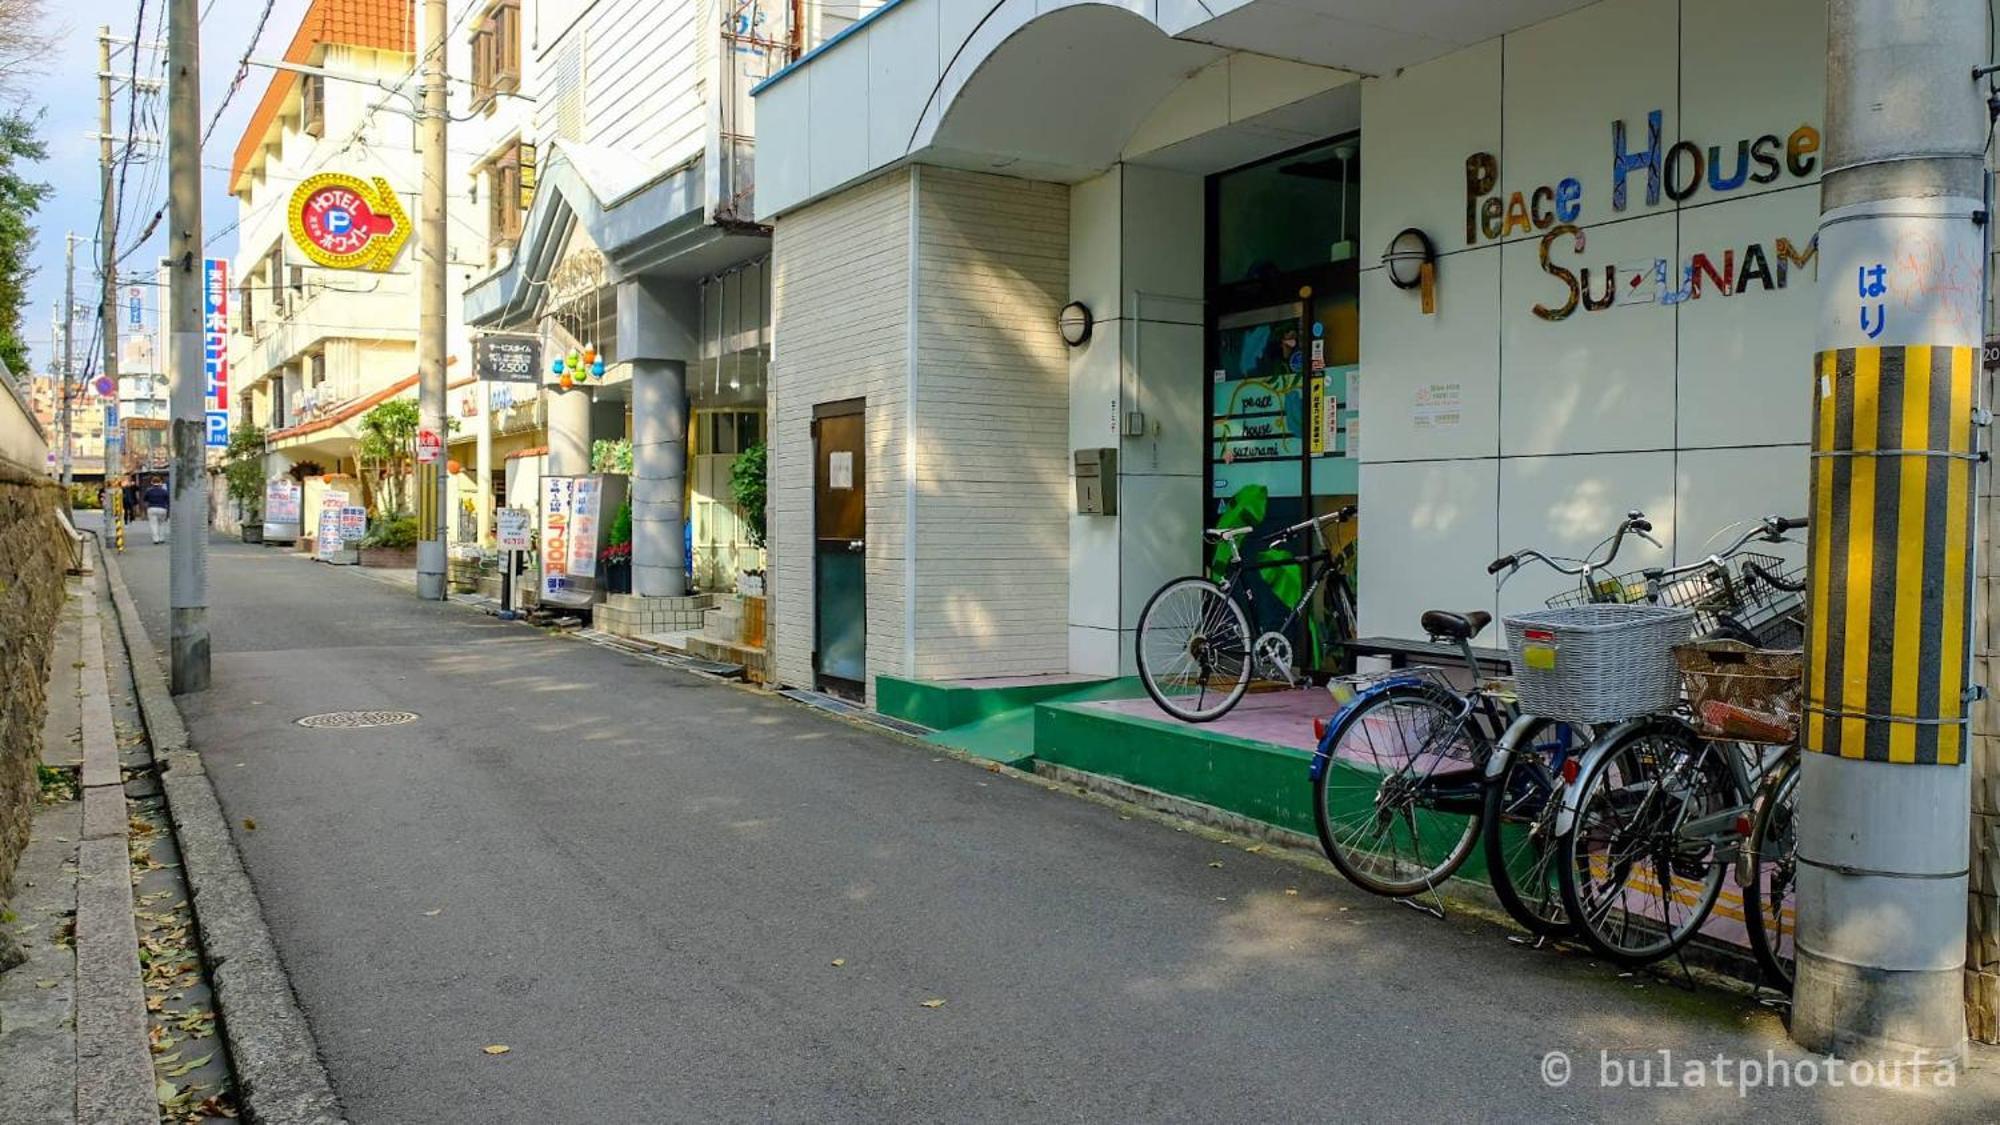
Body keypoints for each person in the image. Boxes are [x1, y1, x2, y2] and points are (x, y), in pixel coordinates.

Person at [143, 477, 170, 545]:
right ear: (160, 482)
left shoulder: (149, 491)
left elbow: (145, 499)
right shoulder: (164, 491)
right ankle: (162, 538)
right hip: (162, 508)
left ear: (152, 482)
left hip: (152, 508)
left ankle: (156, 539)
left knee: (153, 524)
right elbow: (168, 501)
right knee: (162, 524)